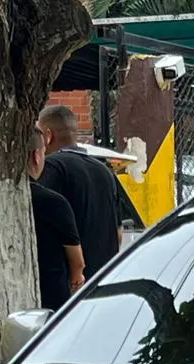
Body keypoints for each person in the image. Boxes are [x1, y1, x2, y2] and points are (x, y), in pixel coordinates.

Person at [37, 104, 135, 274]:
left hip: (68, 281)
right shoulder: (105, 171)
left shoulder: (52, 168)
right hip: (102, 279)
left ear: (48, 136)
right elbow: (118, 233)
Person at [26, 130, 84, 311]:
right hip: (52, 298)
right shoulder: (54, 202)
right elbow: (78, 261)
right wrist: (76, 281)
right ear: (36, 156)